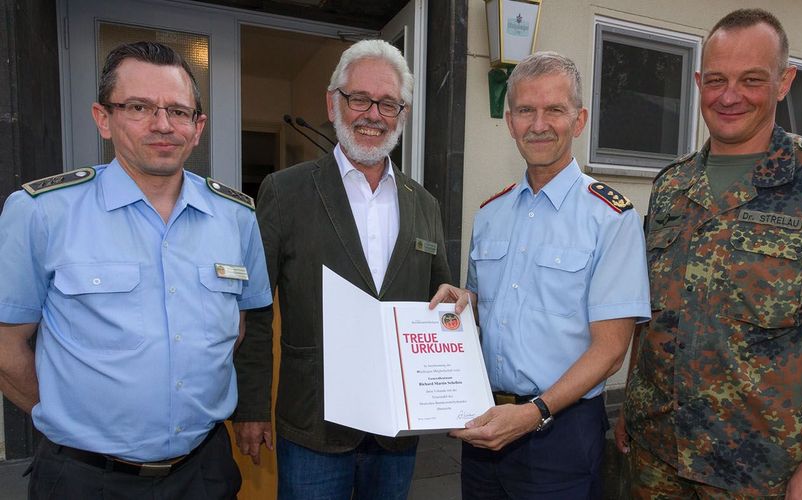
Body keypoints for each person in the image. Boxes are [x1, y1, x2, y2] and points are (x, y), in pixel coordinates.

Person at [617, 8, 802, 499]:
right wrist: (629, 414)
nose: (729, 96)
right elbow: (651, 311)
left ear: (784, 82)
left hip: (761, 468)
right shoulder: (671, 184)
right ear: (699, 81)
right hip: (654, 453)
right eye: (717, 79)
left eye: (752, 80)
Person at [0, 41, 272, 499]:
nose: (162, 125)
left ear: (198, 127)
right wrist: (67, 417)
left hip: (203, 472)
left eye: (178, 111)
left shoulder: (237, 217)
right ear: (103, 117)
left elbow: (239, 327)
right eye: (139, 107)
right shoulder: (41, 213)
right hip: (85, 479)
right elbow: (7, 344)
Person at [232, 39, 452, 499]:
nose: (373, 114)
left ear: (402, 116)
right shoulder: (284, 192)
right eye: (360, 99)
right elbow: (252, 308)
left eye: (388, 103)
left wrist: (456, 306)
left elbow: (439, 296)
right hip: (315, 424)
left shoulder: (425, 204)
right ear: (333, 104)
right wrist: (251, 406)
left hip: (395, 429)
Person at [431, 51, 650, 499]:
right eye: (526, 110)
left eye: (555, 109)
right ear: (509, 121)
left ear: (580, 119)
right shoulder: (490, 213)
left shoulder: (611, 218)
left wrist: (535, 413)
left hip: (560, 435)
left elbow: (611, 350)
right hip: (486, 422)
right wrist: (463, 301)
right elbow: (490, 307)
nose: (539, 123)